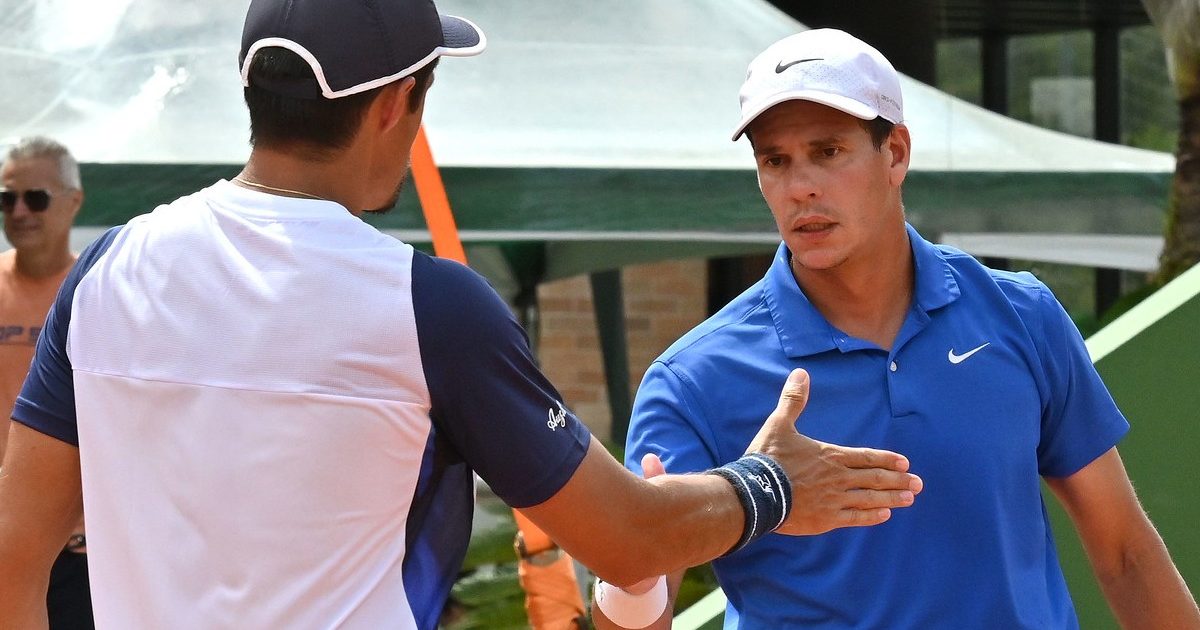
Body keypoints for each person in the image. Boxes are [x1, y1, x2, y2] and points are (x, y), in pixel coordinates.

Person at [0, 4, 924, 628]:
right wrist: (770, 486)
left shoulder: (108, 272)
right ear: (400, 104)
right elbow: (624, 536)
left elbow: (15, 553)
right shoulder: (422, 303)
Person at [602, 28, 1200, 630]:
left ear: (896, 154)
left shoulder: (1023, 317)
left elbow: (1126, 553)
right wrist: (636, 573)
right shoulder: (691, 382)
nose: (800, 186)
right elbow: (634, 613)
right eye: (774, 161)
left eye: (828, 151)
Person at [0, 136, 93, 629]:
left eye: (35, 197)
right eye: (6, 198)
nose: (19, 211)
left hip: (81, 554)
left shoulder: (100, 293)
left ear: (73, 201)